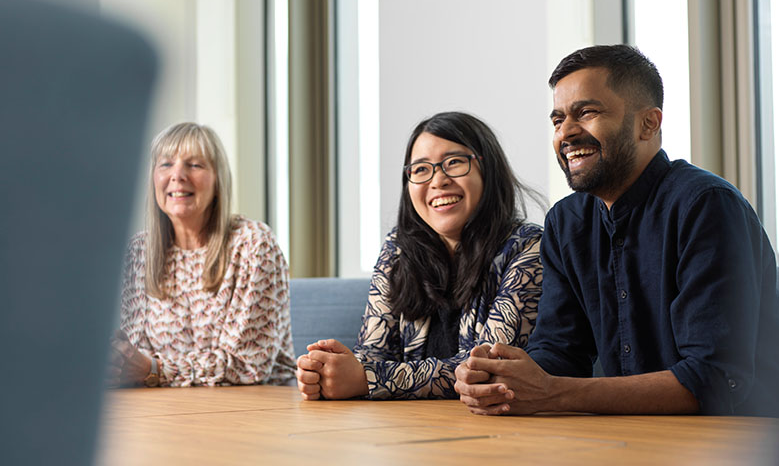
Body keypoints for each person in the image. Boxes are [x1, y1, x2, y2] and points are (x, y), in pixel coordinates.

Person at [454, 45, 779, 416]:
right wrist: (502, 380)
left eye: (587, 112)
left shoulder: (706, 205)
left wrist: (551, 392)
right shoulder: (565, 222)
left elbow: (713, 379)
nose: (566, 132)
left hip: (745, 434)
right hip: (632, 433)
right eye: (557, 120)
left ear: (649, 123)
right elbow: (560, 353)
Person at [295, 111, 543, 400]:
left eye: (454, 162)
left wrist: (367, 378)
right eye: (421, 169)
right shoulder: (398, 249)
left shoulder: (528, 248)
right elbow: (373, 354)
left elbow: (490, 368)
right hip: (409, 424)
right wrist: (326, 371)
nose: (438, 180)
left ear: (488, 169)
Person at [111, 122, 295, 387]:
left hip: (256, 403)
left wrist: (154, 369)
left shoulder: (254, 245)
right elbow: (132, 353)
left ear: (218, 180)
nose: (178, 175)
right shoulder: (138, 251)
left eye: (195, 165)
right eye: (166, 164)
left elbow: (247, 365)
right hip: (164, 404)